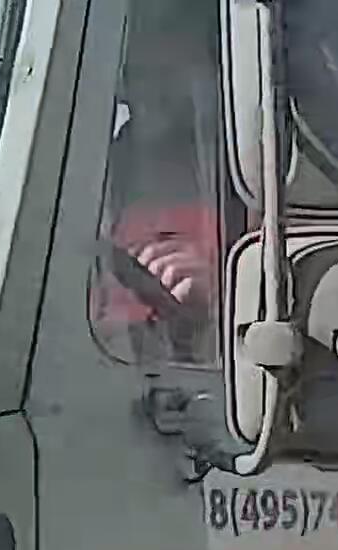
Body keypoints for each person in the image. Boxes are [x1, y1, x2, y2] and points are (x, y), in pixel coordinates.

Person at [91, 3, 234, 365]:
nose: (152, 79)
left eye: (170, 63)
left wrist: (221, 299)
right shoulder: (93, 167)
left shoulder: (259, 174)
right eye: (139, 66)